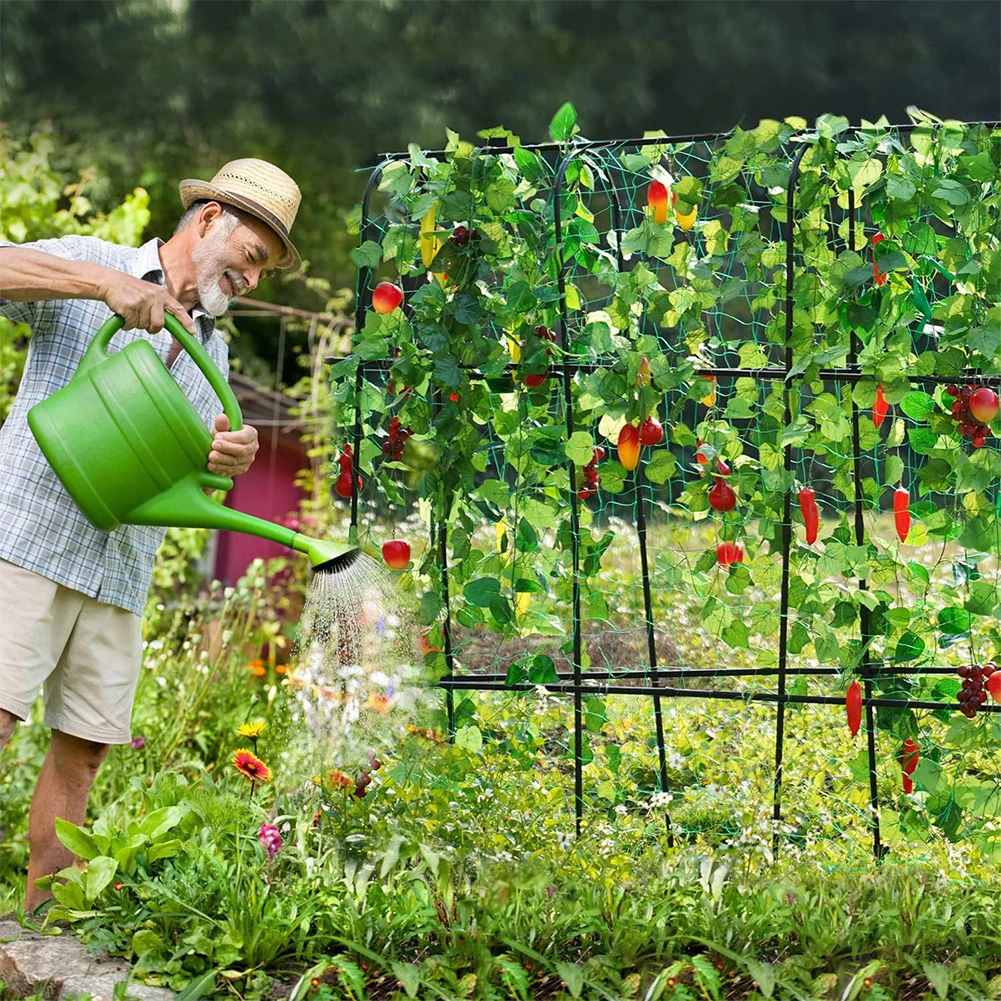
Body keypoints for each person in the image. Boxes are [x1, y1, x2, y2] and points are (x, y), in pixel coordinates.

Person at [0, 157, 302, 913]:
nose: (254, 279)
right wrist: (101, 286)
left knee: (86, 747)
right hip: (28, 536)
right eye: (252, 257)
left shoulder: (216, 350)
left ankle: (42, 934)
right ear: (207, 222)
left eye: (266, 268)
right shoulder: (97, 263)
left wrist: (224, 460)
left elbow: (187, 481)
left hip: (118, 568)